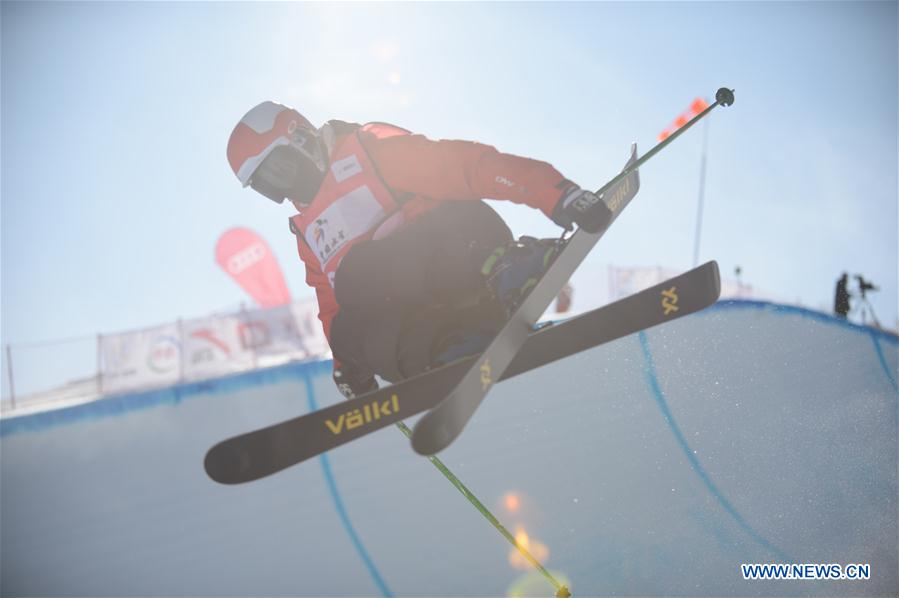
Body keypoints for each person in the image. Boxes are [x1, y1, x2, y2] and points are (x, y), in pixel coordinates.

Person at [226, 101, 611, 398]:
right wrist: (349, 365)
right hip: (437, 316)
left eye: (280, 171)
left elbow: (465, 165)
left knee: (358, 270)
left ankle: (515, 269)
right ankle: (447, 353)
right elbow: (329, 302)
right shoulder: (307, 228)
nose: (285, 190)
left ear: (300, 138)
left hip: (470, 253)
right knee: (346, 323)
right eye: (269, 187)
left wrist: (554, 192)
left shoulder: (365, 150)